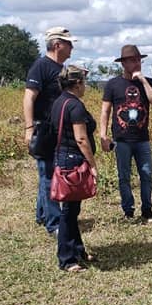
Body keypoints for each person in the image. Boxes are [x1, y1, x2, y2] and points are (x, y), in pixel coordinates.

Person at [23, 27, 76, 237]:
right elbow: (29, 97)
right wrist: (29, 128)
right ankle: (54, 224)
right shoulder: (41, 67)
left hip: (58, 130)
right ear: (57, 45)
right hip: (43, 129)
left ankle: (42, 214)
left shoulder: (61, 68)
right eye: (69, 43)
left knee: (48, 174)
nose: (72, 47)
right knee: (49, 176)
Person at [99, 44, 152, 222]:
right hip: (122, 139)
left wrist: (142, 81)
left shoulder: (147, 82)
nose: (137, 63)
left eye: (139, 60)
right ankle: (128, 210)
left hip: (142, 139)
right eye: (133, 60)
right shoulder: (113, 84)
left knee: (147, 174)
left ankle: (147, 210)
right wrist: (103, 135)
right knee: (124, 176)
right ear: (123, 63)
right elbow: (105, 111)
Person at [50, 66, 98, 272]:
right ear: (77, 84)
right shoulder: (75, 106)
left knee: (72, 210)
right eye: (84, 83)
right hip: (73, 160)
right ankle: (66, 258)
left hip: (61, 156)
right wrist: (92, 164)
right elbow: (81, 138)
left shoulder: (59, 102)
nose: (85, 86)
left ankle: (77, 250)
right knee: (69, 212)